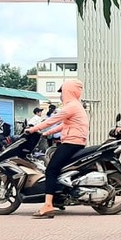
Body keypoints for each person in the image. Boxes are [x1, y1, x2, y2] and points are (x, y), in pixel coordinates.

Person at [26, 79, 88, 219]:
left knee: (51, 170)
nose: (61, 95)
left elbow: (52, 120)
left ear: (69, 91)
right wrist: (46, 133)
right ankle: (57, 199)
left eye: (62, 91)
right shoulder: (76, 106)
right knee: (59, 169)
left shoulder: (71, 106)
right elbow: (64, 125)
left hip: (71, 143)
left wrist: (33, 129)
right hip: (76, 142)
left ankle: (48, 205)